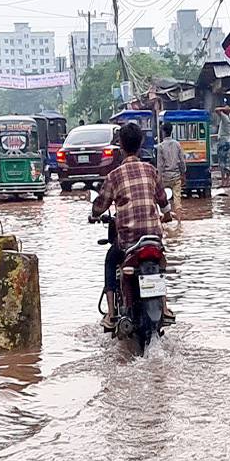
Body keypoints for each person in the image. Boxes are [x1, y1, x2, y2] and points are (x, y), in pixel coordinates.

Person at [91, 122, 171, 329]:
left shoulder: (114, 176)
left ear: (121, 146)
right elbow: (163, 200)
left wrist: (93, 214)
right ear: (140, 144)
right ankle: (164, 306)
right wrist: (167, 214)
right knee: (159, 266)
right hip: (154, 237)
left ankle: (110, 314)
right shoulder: (151, 171)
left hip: (128, 241)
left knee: (110, 259)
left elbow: (100, 205)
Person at [156, 129, 185, 215]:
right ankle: (179, 222)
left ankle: (166, 216)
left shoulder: (160, 146)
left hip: (165, 177)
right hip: (176, 176)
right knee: (177, 200)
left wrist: (159, 179)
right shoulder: (177, 144)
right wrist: (183, 173)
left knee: (162, 198)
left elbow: (160, 165)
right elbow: (182, 161)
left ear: (163, 132)